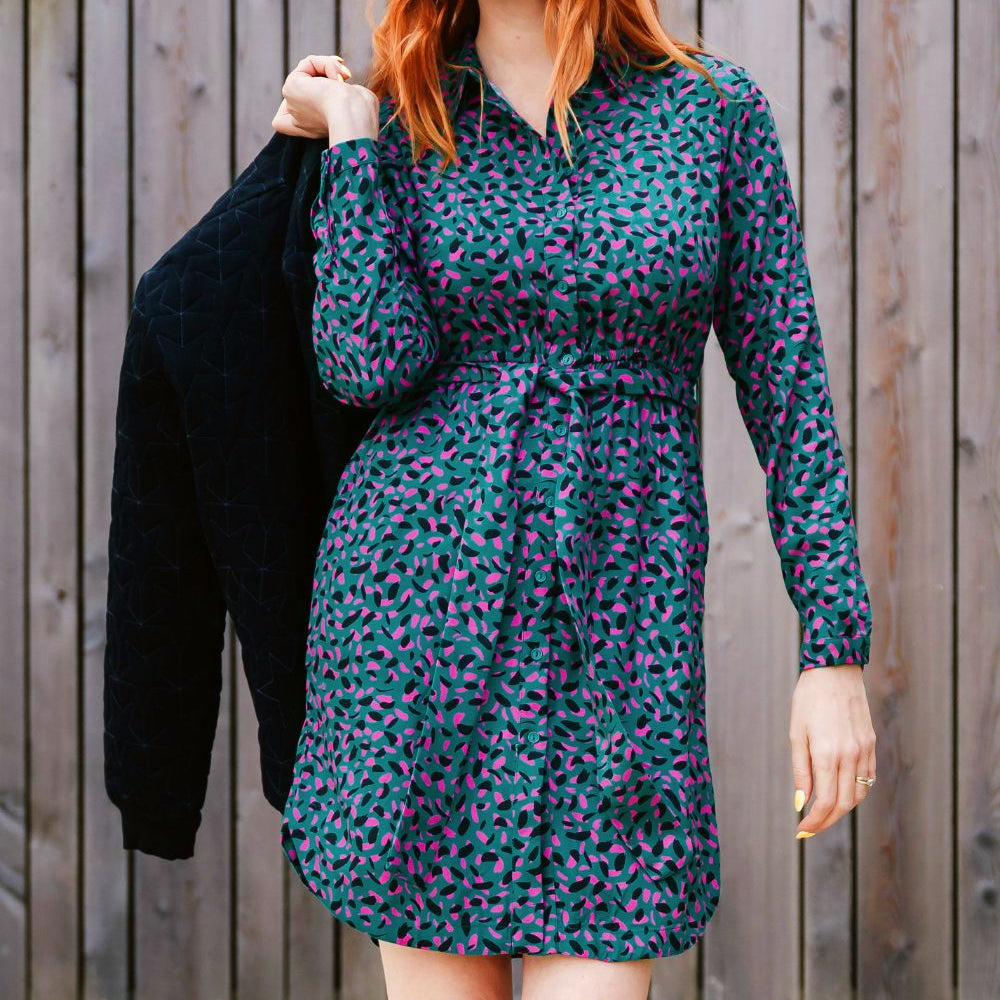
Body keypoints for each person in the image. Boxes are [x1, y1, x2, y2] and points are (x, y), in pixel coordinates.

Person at [272, 1, 877, 998]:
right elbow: (367, 361)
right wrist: (351, 136)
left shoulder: (709, 115)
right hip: (419, 630)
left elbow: (790, 386)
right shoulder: (405, 114)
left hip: (618, 646)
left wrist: (833, 646)